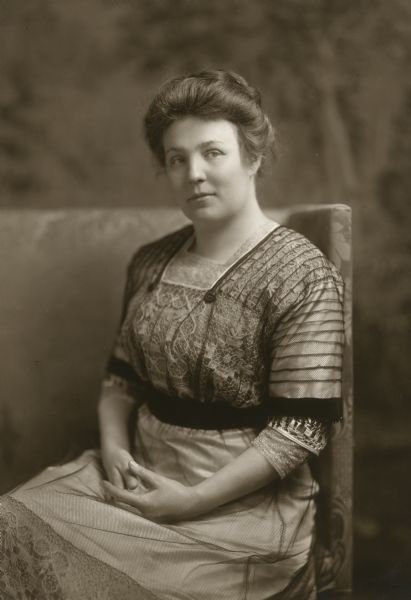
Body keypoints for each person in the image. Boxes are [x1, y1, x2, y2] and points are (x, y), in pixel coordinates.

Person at [0, 70, 344, 599]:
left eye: (213, 153)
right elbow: (121, 380)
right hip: (136, 475)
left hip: (242, 505)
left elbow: (301, 427)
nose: (193, 174)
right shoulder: (151, 261)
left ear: (253, 156)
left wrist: (193, 501)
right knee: (11, 523)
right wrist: (115, 451)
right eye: (176, 158)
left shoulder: (303, 273)